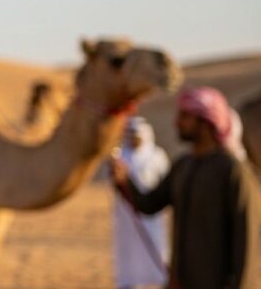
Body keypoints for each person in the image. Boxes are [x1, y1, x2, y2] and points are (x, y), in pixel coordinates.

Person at [110, 87, 261, 289]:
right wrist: (124, 181)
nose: (177, 122)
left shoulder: (233, 171)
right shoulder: (183, 166)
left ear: (206, 121)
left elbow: (247, 240)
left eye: (185, 116)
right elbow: (148, 205)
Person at [112, 117, 170, 288]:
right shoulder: (121, 156)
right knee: (129, 255)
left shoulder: (157, 156)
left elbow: (166, 186)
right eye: (131, 135)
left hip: (153, 213)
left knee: (156, 251)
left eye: (137, 135)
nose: (134, 139)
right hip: (126, 217)